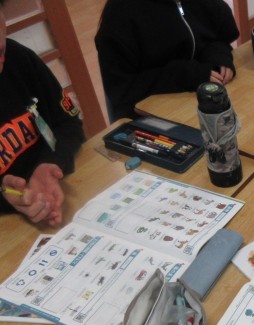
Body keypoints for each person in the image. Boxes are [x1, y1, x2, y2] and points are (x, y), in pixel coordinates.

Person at [0, 0, 84, 226]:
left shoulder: (18, 58)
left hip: (59, 202)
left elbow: (68, 123)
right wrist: (4, 196)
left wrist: (50, 164)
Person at [95, 0, 240, 121]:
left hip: (198, 102)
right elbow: (122, 90)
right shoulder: (120, 16)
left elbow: (218, 35)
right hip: (148, 117)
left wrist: (219, 55)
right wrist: (185, 75)